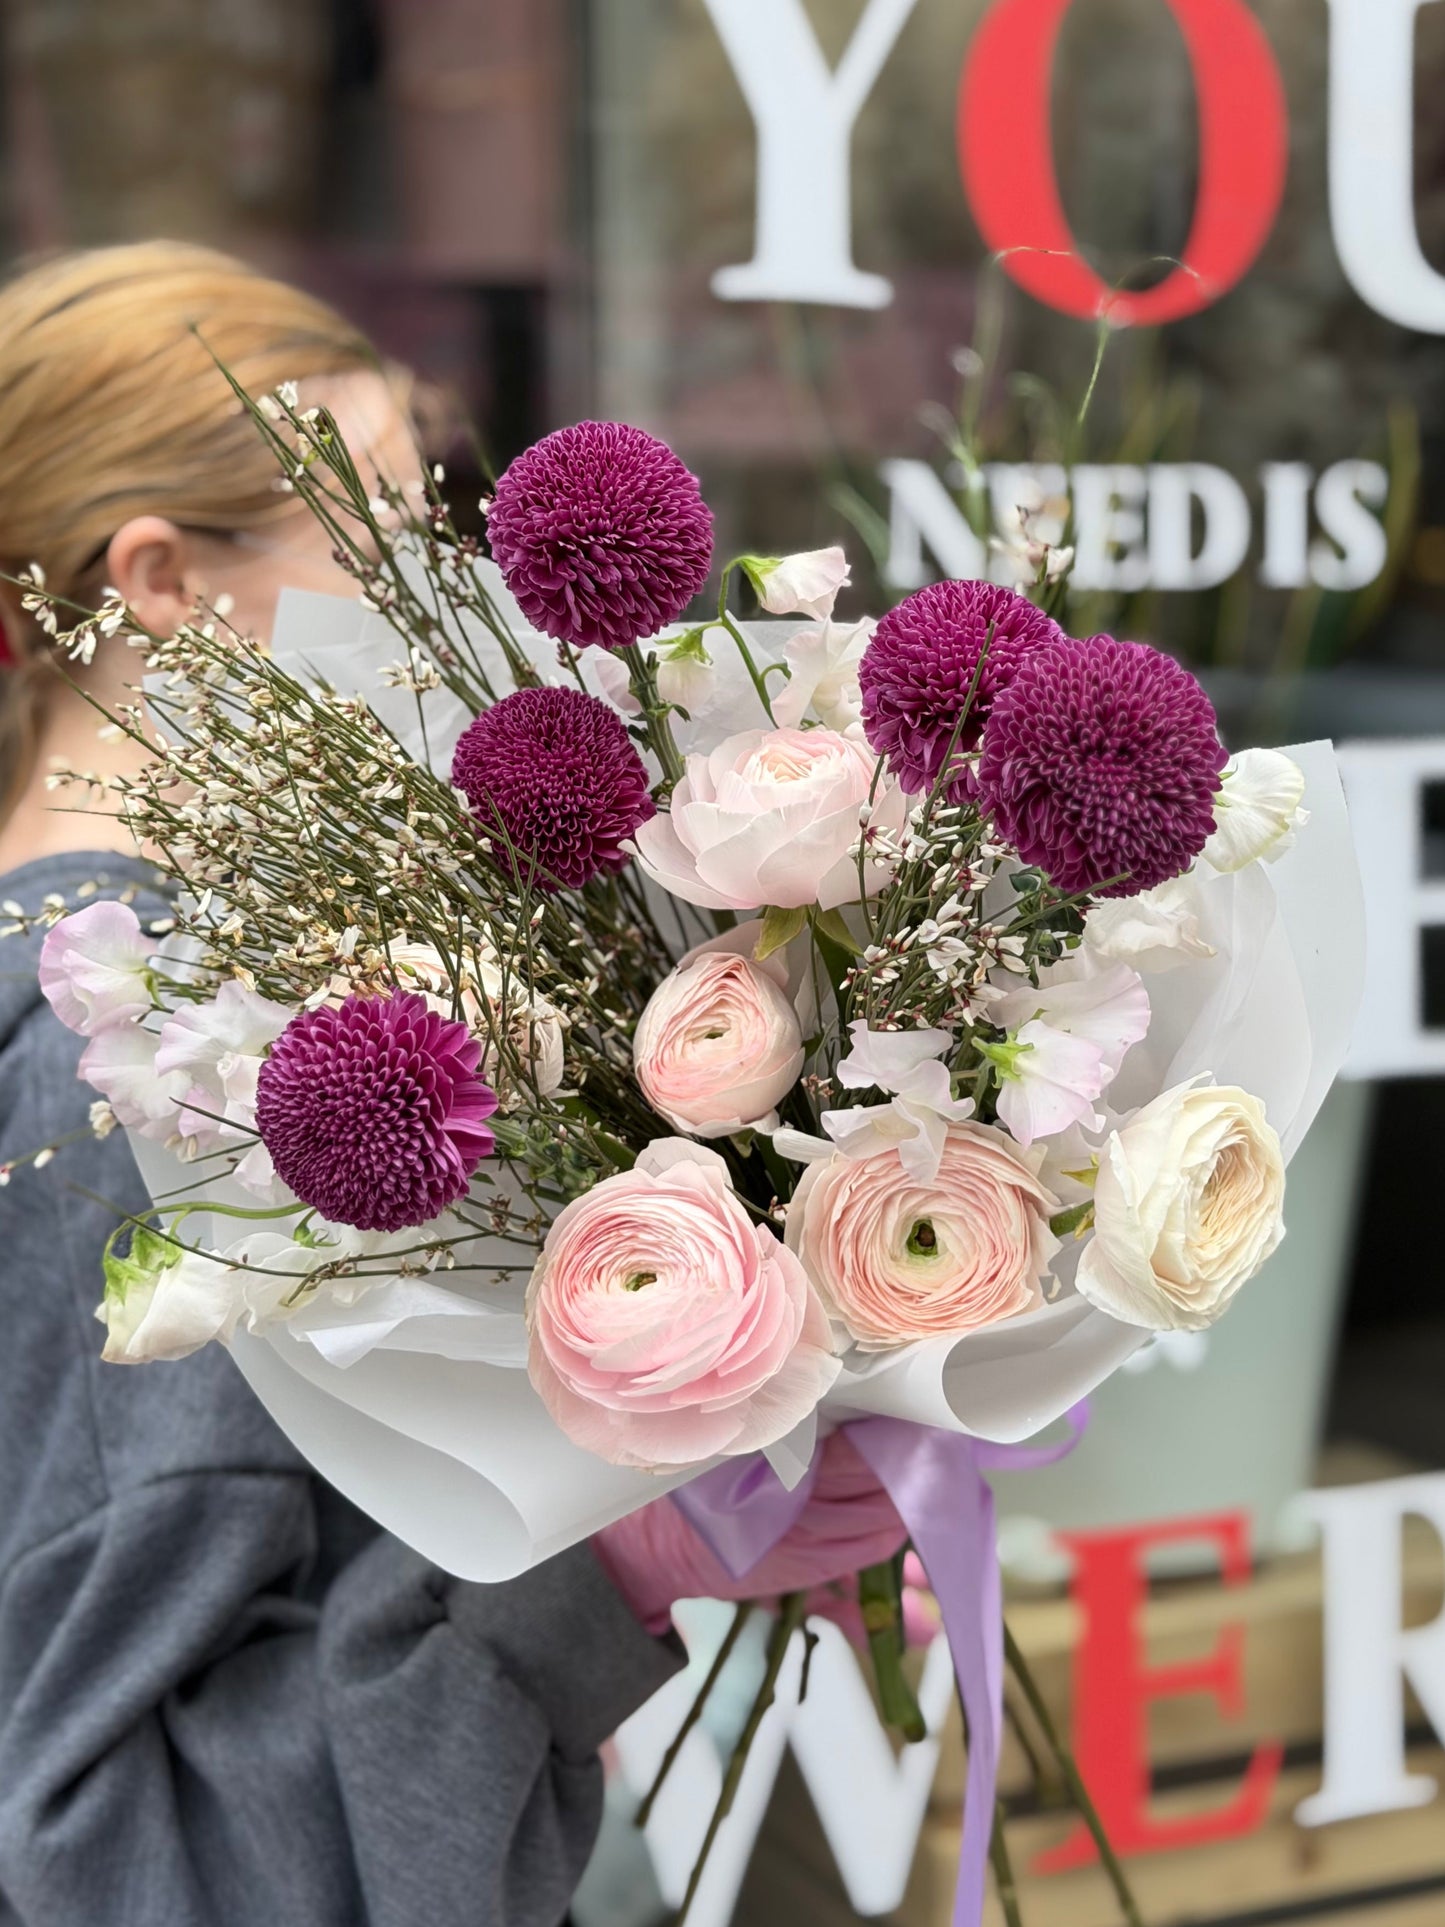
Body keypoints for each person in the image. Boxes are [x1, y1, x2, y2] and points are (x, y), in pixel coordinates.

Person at [0, 242, 905, 1927]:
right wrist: (612, 1574)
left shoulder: (160, 996)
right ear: (160, 581)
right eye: (383, 537)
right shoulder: (135, 1069)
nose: (435, 595)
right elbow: (125, 1840)